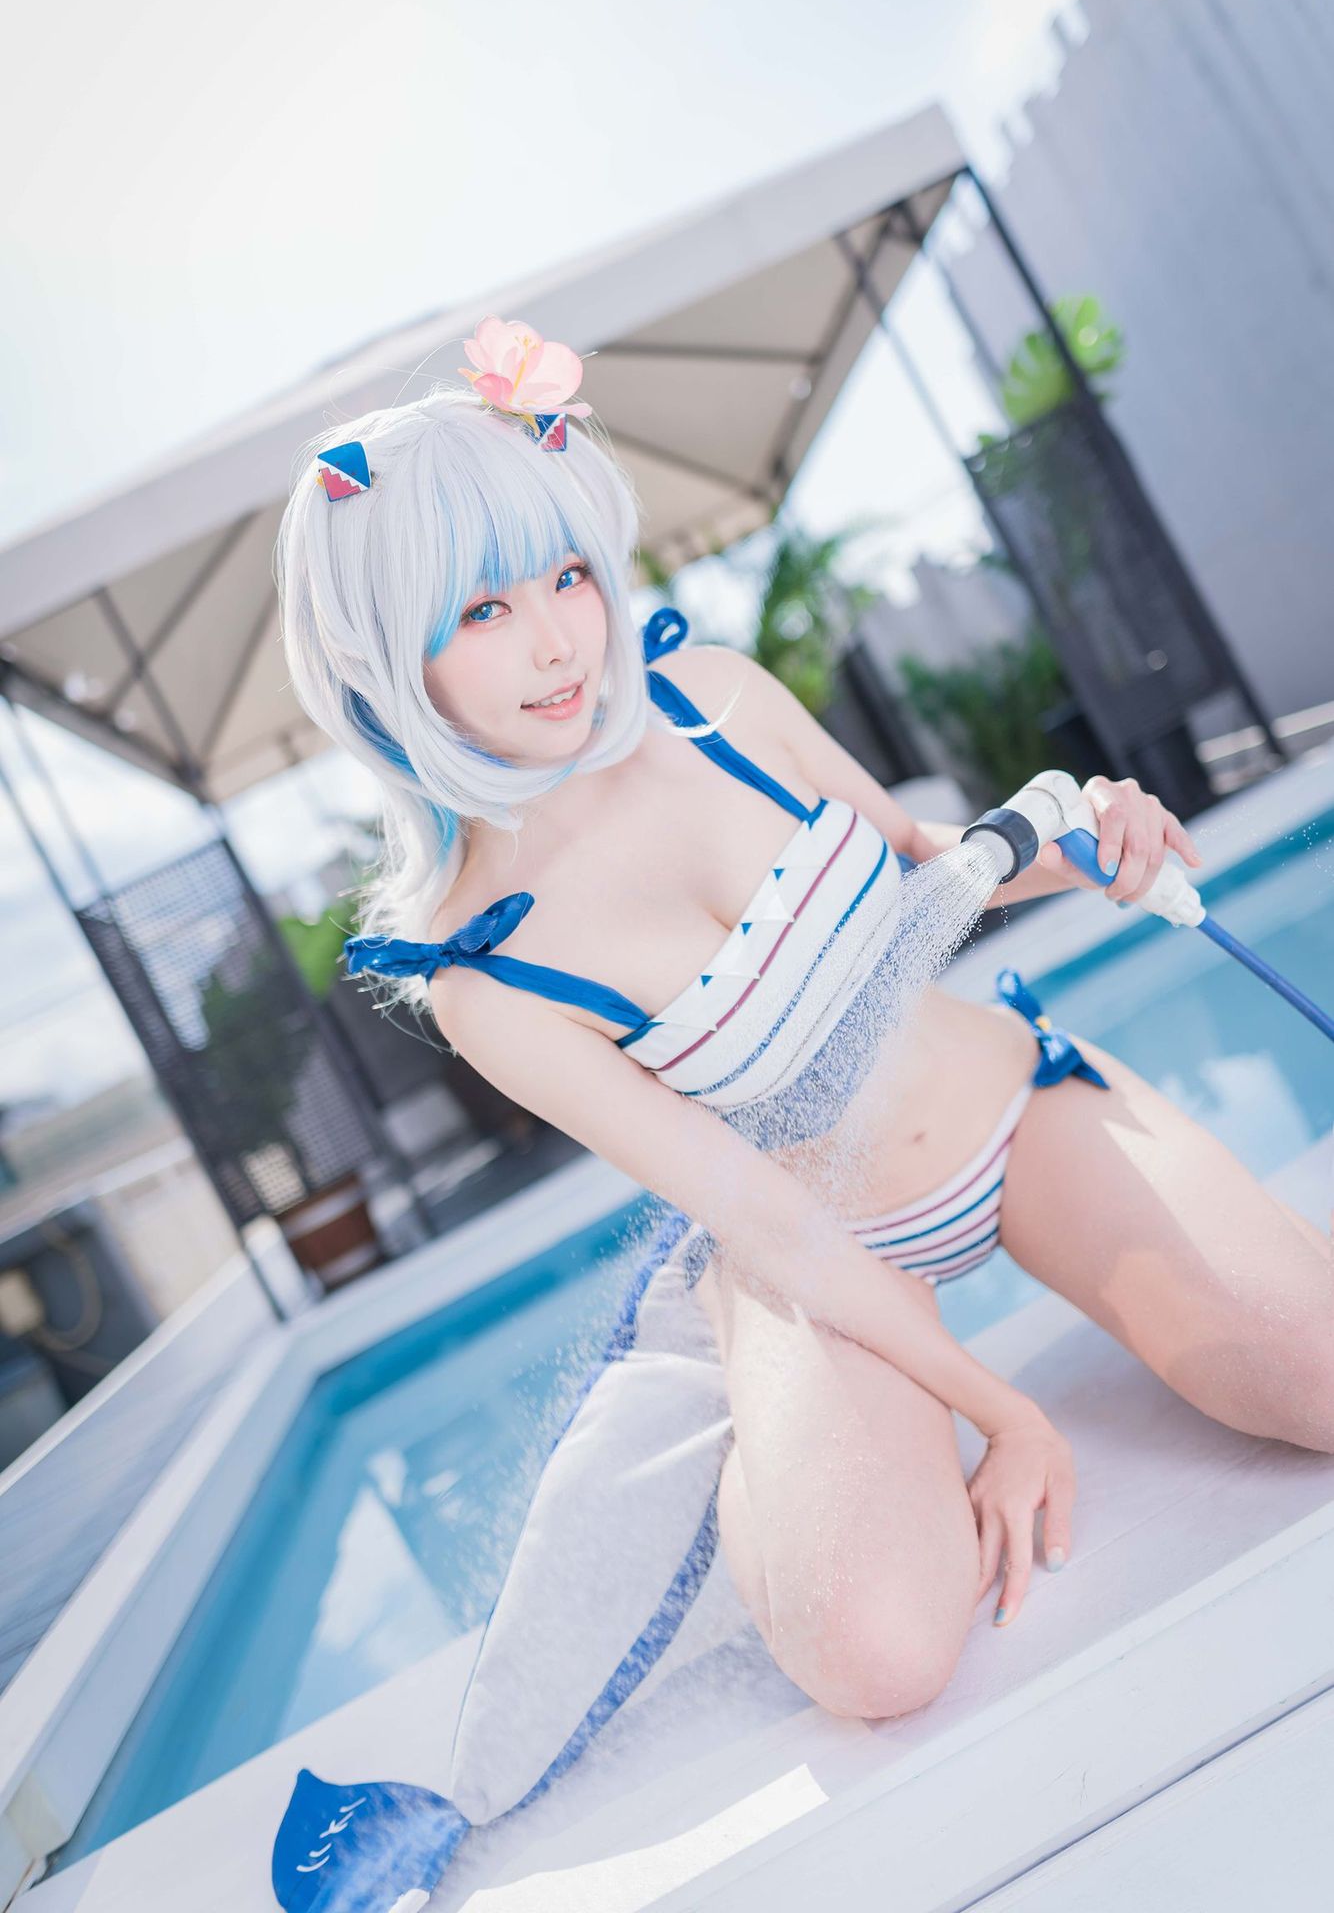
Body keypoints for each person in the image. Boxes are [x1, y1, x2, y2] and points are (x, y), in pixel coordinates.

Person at [271, 318, 1334, 1907]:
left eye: (562, 577)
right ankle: (749, 1423)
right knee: (882, 1658)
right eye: (480, 612)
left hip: (1012, 1110)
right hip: (816, 1248)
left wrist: (1086, 841)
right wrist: (998, 1406)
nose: (556, 642)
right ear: (383, 661)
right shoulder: (481, 969)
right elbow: (763, 1211)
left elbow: (919, 873)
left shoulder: (704, 693)